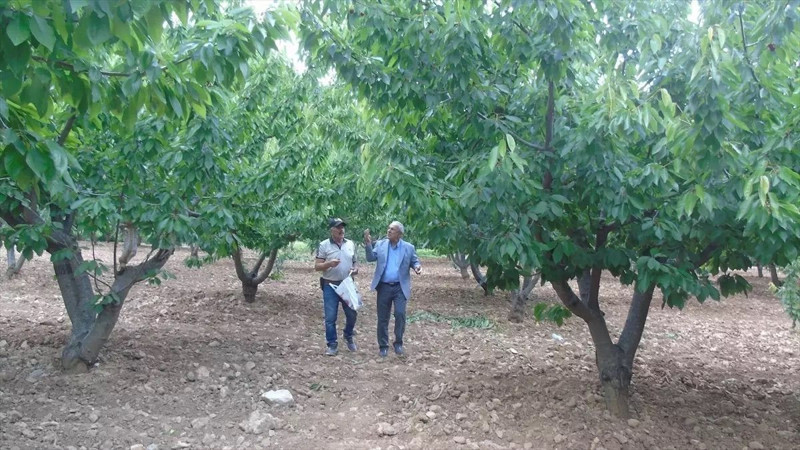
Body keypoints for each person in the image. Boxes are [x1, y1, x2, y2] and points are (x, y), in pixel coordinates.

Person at [363, 221, 422, 357]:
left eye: (392, 229)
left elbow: (415, 261)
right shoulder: (381, 245)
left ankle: (398, 343)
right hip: (384, 286)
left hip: (400, 287)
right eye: (388, 228)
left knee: (400, 314)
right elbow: (370, 258)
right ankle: (383, 346)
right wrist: (368, 244)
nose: (389, 231)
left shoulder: (408, 248)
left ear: (399, 234)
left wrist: (417, 267)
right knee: (383, 317)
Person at [315, 218, 359, 356]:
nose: (341, 230)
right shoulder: (324, 245)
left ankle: (348, 335)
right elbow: (317, 266)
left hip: (347, 283)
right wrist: (329, 264)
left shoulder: (350, 243)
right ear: (332, 230)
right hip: (330, 285)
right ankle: (332, 344)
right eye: (338, 227)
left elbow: (354, 261)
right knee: (330, 317)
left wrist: (355, 269)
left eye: (342, 227)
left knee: (352, 313)